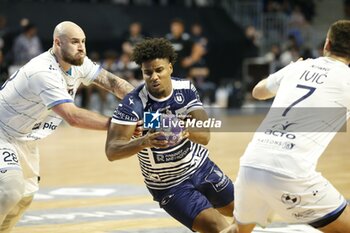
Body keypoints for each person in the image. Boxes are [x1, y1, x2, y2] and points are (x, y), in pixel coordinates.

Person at [0, 21, 135, 233]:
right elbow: (73, 117)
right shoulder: (43, 71)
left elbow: (112, 82)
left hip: (26, 138)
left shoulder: (79, 64)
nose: (81, 47)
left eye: (83, 42)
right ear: (57, 43)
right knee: (9, 190)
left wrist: (143, 104)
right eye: (74, 42)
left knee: (23, 199)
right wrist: (119, 125)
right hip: (3, 132)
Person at [224, 20, 350, 233]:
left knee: (237, 230)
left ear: (327, 44)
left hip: (251, 165)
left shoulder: (298, 66)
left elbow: (258, 92)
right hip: (290, 172)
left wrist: (288, 72)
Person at [105, 38, 235, 233]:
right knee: (219, 227)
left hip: (202, 168)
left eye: (159, 70)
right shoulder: (132, 104)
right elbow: (112, 151)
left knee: (246, 213)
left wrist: (183, 128)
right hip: (170, 185)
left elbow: (205, 135)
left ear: (170, 68)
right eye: (147, 72)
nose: (154, 77)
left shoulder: (186, 89)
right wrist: (144, 141)